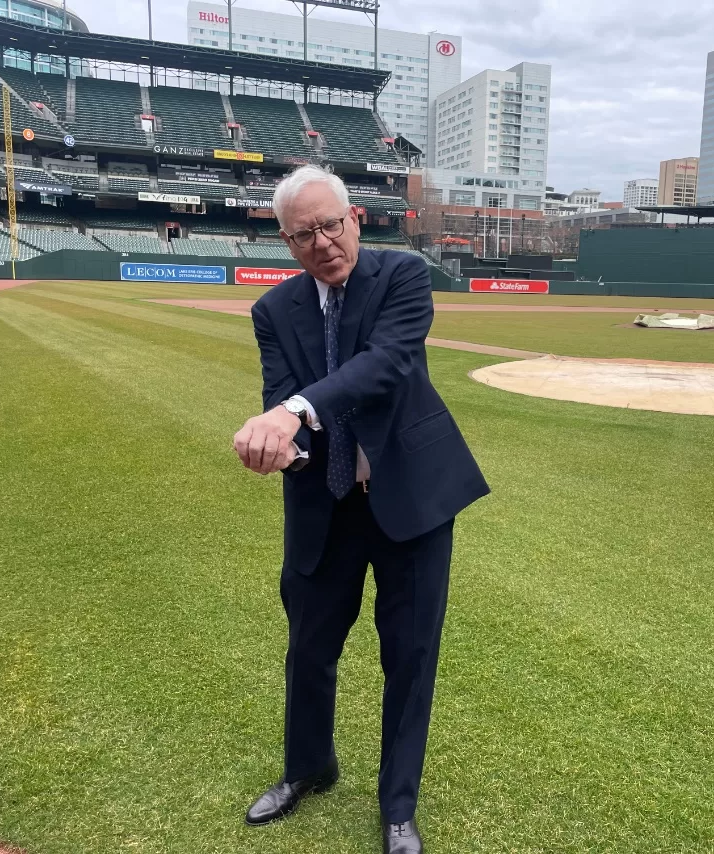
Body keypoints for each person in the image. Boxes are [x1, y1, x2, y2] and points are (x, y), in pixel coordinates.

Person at [233, 164, 489, 854]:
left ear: (355, 219)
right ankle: (308, 768)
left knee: (409, 656)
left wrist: (289, 412)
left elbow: (386, 364)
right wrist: (278, 451)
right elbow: (288, 400)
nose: (321, 242)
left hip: (410, 497)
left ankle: (397, 805)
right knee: (309, 648)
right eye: (302, 234)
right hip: (326, 500)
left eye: (329, 224)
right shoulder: (273, 311)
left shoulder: (401, 277)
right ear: (286, 242)